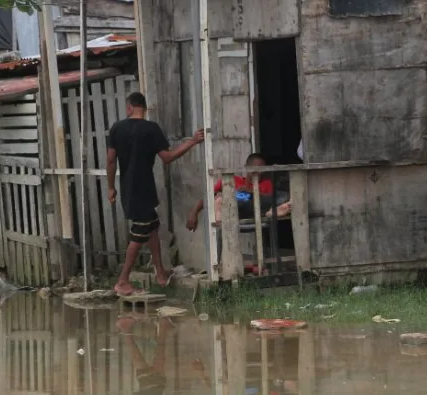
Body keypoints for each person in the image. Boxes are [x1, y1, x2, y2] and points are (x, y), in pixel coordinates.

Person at [107, 92, 205, 296]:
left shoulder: (117, 128)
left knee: (152, 226)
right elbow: (167, 157)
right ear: (144, 108)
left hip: (127, 187)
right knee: (139, 233)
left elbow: (110, 160)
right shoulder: (151, 129)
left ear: (129, 107)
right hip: (142, 188)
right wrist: (193, 141)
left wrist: (111, 187)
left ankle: (160, 272)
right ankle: (123, 280)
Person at [185, 153, 291, 232]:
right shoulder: (233, 181)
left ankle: (273, 212)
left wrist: (252, 191)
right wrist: (193, 212)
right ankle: (220, 213)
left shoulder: (266, 184)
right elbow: (208, 195)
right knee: (220, 198)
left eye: (261, 169)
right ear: (247, 168)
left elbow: (270, 199)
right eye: (255, 169)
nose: (259, 173)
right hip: (236, 214)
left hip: (258, 214)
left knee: (275, 200)